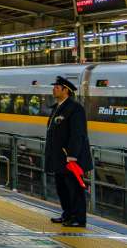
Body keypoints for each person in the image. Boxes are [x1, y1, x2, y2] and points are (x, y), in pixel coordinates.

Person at [44, 76, 93, 228]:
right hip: (59, 158)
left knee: (74, 189)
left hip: (71, 159)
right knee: (62, 188)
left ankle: (79, 218)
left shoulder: (75, 109)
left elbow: (77, 134)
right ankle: (68, 214)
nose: (54, 89)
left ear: (66, 91)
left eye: (57, 87)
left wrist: (72, 156)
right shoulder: (57, 108)